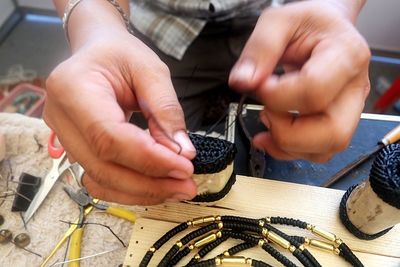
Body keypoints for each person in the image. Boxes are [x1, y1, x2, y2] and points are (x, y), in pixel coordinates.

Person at [45, 0, 371, 205]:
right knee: (157, 163)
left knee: (286, 143)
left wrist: (337, 7)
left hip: (285, 23)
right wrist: (94, 25)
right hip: (150, 34)